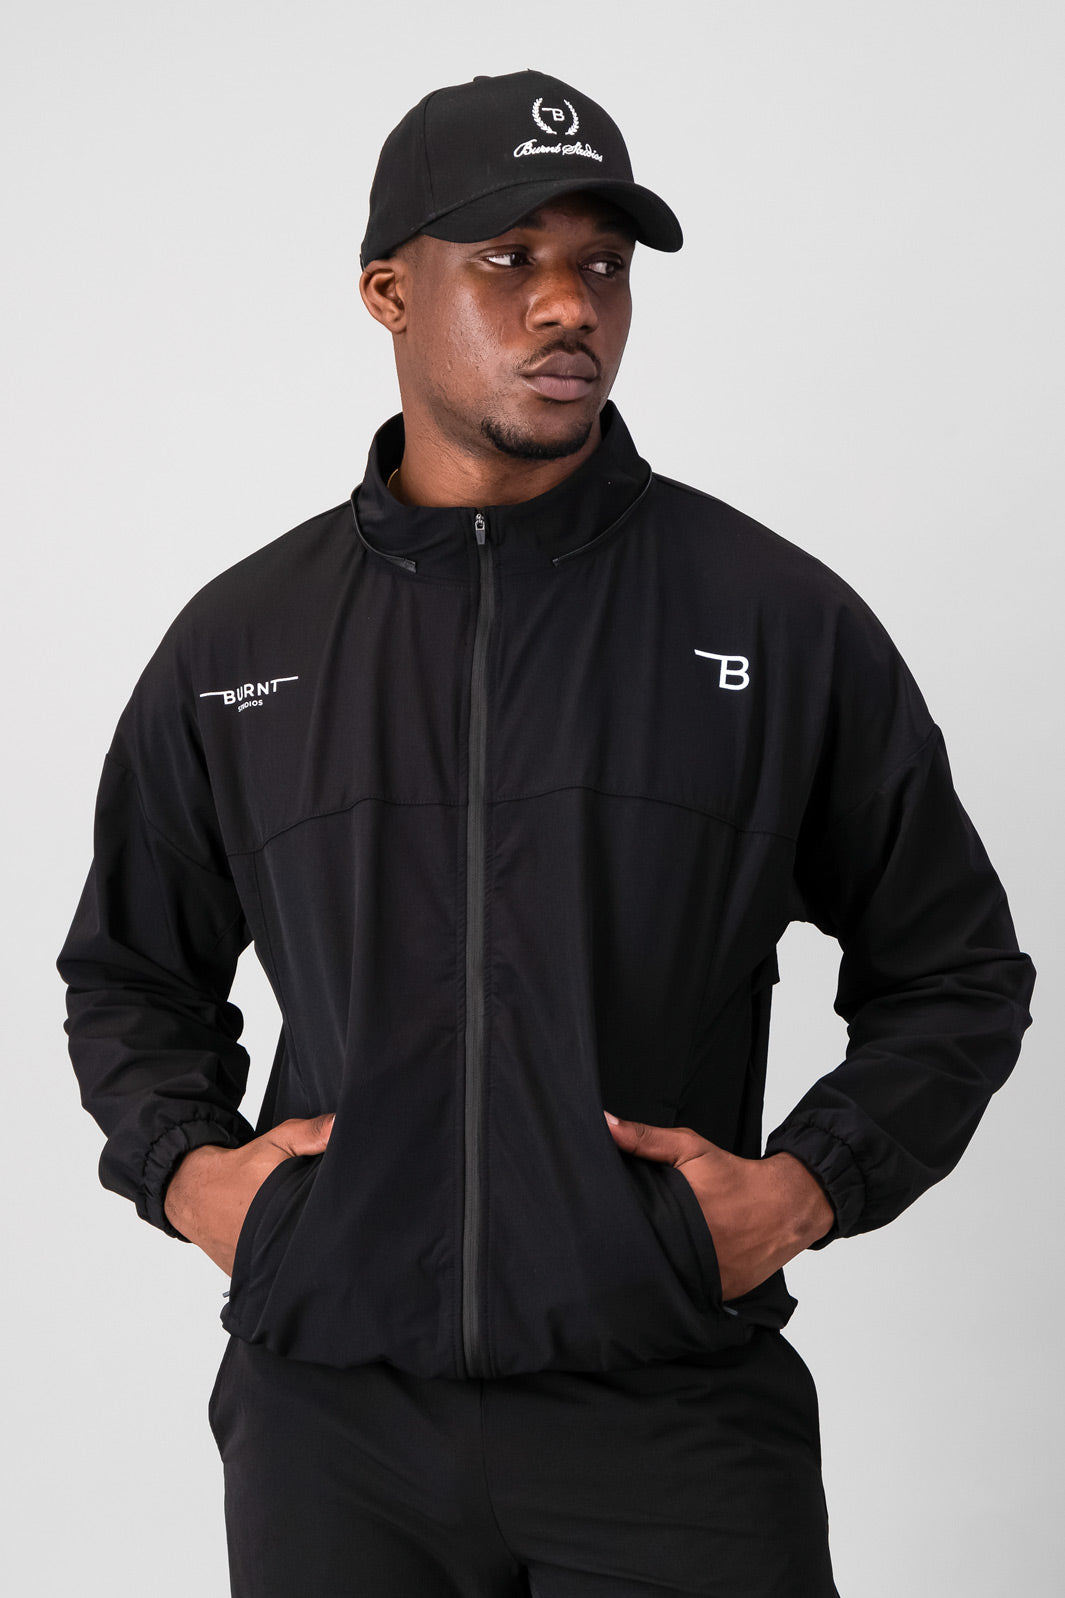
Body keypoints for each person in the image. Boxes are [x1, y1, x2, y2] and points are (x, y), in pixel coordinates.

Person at [57, 67, 1035, 1598]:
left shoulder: (771, 620)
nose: (567, 305)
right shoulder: (244, 641)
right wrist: (193, 1174)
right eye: (506, 259)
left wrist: (805, 1185)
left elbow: (955, 971)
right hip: (332, 1425)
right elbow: (129, 973)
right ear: (389, 291)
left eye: (601, 263)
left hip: (668, 1408)